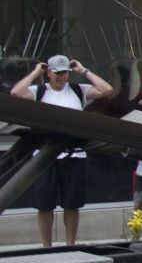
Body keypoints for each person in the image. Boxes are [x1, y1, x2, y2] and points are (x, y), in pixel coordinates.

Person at [10, 54, 114, 246]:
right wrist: (35, 72)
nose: (60, 76)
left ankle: (70, 244)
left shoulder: (78, 91)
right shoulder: (39, 91)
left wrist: (83, 71)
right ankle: (46, 246)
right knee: (44, 204)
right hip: (44, 157)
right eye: (56, 73)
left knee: (72, 204)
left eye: (64, 72)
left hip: (74, 155)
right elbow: (16, 93)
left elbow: (107, 90)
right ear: (49, 72)